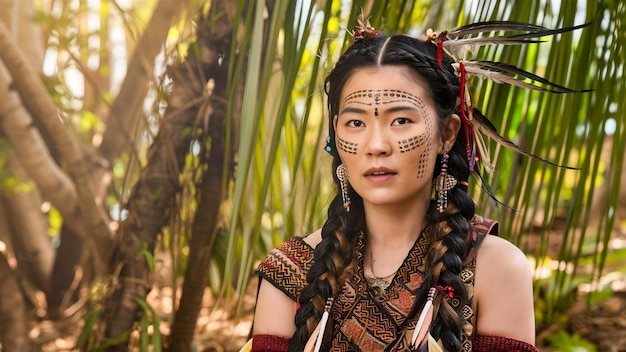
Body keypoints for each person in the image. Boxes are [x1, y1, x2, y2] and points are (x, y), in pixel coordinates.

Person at [249, 18, 585, 352]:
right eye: (355, 122)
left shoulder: (496, 268)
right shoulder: (292, 270)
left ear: (448, 133)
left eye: (400, 120)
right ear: (336, 134)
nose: (376, 144)